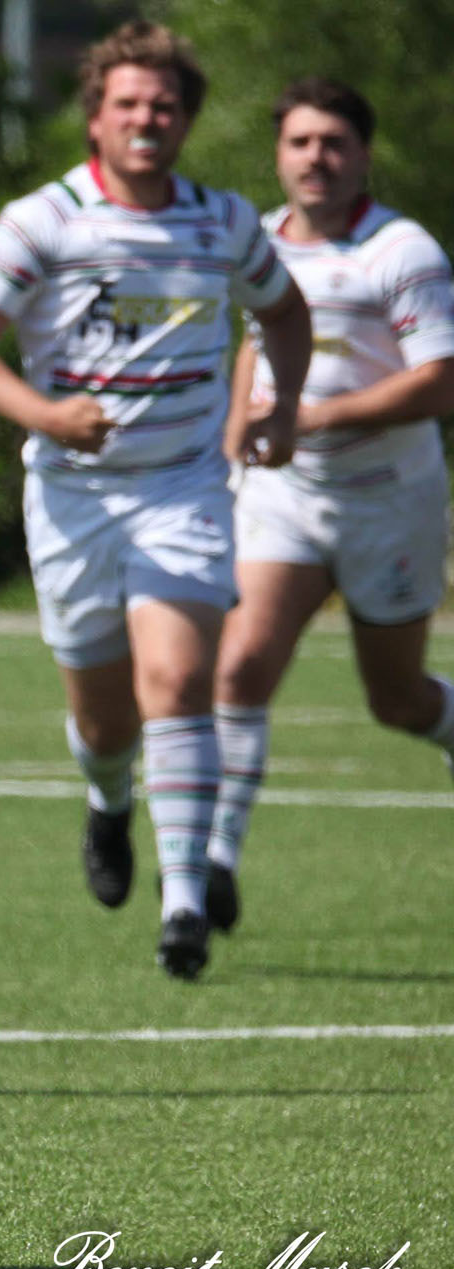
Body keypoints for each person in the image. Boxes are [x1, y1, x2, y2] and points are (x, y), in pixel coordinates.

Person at [0, 21, 312, 980]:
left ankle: (183, 903)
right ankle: (108, 801)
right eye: (130, 104)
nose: (149, 119)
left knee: (178, 683)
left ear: (186, 120)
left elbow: (284, 311)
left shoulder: (224, 221)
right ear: (96, 117)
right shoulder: (43, 220)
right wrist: (46, 416)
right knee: (106, 724)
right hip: (71, 499)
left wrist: (281, 408)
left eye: (166, 106)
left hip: (184, 486)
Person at [206, 79, 454, 919]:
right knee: (240, 665)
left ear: (364, 157)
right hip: (285, 495)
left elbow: (441, 381)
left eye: (335, 142)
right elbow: (257, 342)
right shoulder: (260, 241)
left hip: (389, 501)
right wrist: (236, 435)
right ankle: (212, 862)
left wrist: (309, 416)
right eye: (301, 142)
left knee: (397, 701)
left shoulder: (403, 250)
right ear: (279, 155)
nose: (317, 158)